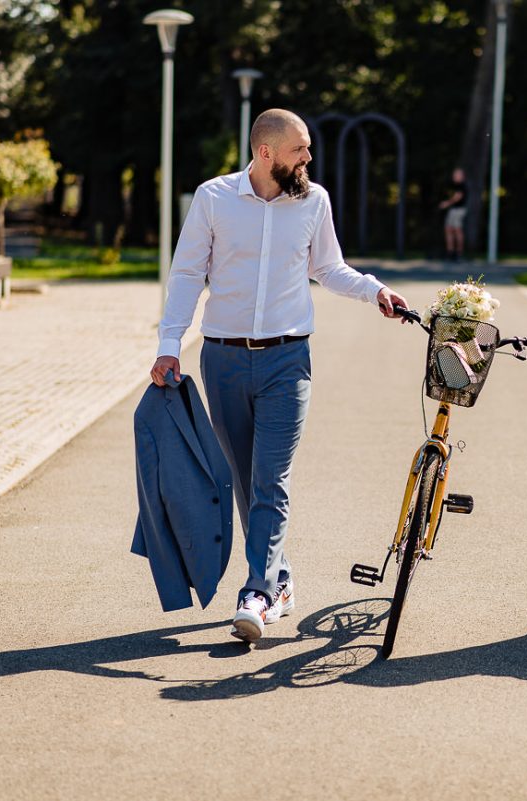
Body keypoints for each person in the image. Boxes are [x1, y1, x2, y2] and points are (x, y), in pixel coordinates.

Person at [149, 108, 409, 642]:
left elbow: (328, 267)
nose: (308, 158)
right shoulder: (214, 198)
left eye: (308, 148)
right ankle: (281, 579)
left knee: (272, 477)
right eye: (299, 150)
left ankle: (258, 594)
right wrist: (169, 344)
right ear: (265, 153)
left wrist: (373, 290)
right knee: (244, 481)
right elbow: (186, 273)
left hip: (287, 361)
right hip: (221, 359)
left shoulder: (314, 201)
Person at [437, 167, 467, 261]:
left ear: (462, 176)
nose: (455, 176)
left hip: (459, 210)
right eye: (455, 174)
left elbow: (458, 197)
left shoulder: (462, 186)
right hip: (453, 210)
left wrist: (447, 203)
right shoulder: (454, 186)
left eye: (458, 175)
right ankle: (450, 252)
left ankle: (458, 253)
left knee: (457, 230)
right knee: (448, 229)